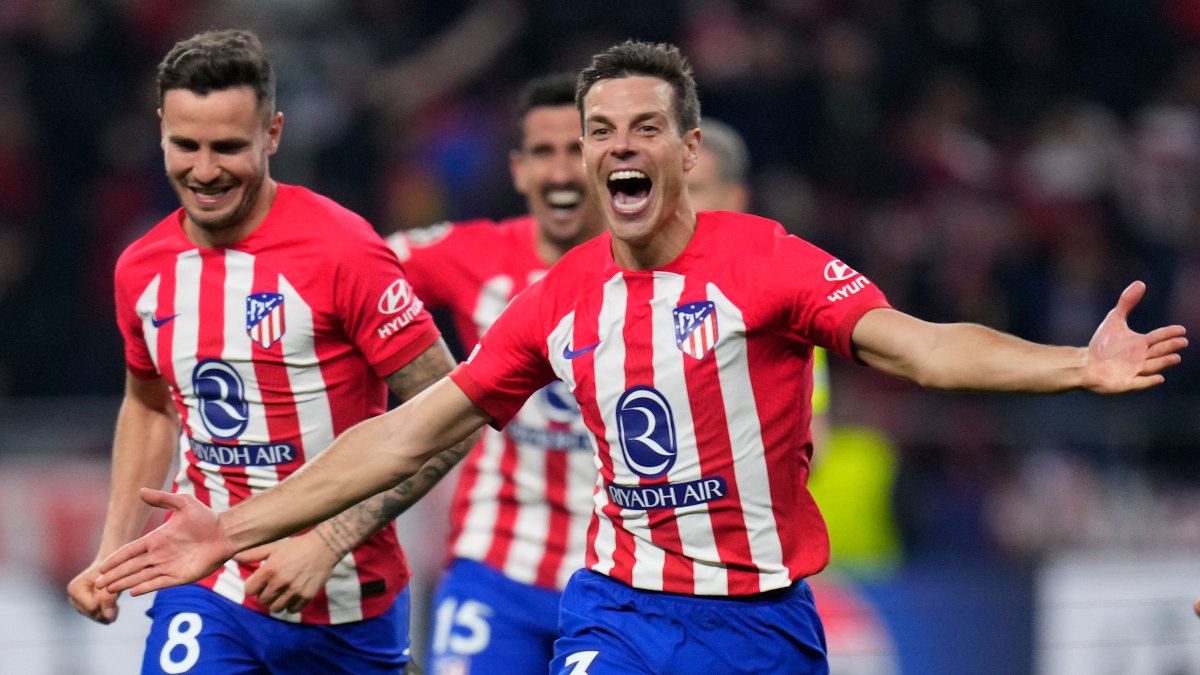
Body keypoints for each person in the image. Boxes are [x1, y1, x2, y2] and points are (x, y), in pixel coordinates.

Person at [96, 40, 1187, 675]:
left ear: (685, 149)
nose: (619, 148)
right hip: (613, 607)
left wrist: (1070, 366)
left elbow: (923, 348)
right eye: (600, 129)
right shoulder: (555, 301)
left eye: (642, 128)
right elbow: (413, 430)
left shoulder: (767, 264)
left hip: (760, 619)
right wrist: (233, 528)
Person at [67, 29, 473, 674]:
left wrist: (327, 541)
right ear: (160, 132)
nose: (203, 170)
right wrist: (114, 552)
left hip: (347, 600)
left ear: (273, 134)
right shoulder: (140, 268)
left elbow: (452, 415)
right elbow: (148, 405)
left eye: (228, 147)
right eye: (185, 145)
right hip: (208, 588)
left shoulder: (344, 250)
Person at [400, 73, 606, 673]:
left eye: (578, 150)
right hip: (493, 568)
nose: (562, 173)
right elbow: (353, 275)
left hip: (618, 581)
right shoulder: (475, 255)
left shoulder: (655, 275)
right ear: (519, 170)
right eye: (544, 152)